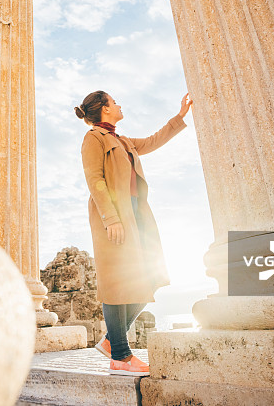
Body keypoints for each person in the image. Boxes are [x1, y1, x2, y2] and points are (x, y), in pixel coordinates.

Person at [74, 90, 193, 376]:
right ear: (104, 108)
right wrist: (111, 218)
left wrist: (179, 117)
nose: (118, 104)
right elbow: (95, 180)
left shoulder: (122, 140)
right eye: (114, 102)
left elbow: (152, 141)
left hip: (137, 214)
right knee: (117, 281)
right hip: (114, 216)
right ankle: (121, 356)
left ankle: (110, 340)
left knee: (150, 276)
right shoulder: (93, 138)